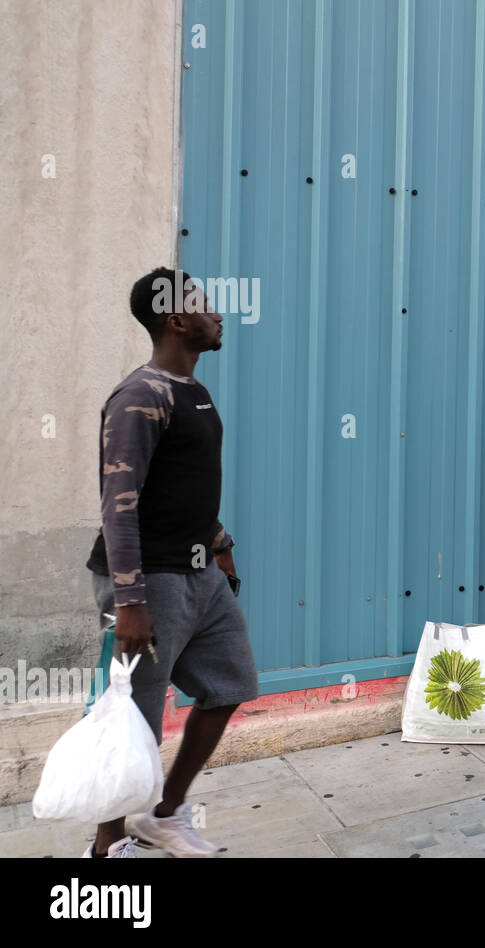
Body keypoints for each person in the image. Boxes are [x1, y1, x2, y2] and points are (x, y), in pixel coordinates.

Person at [82, 267, 258, 857]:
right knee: (135, 726)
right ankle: (105, 855)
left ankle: (163, 813)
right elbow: (119, 504)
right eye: (207, 306)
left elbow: (181, 483)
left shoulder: (194, 392)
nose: (219, 315)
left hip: (198, 574)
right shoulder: (141, 396)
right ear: (178, 319)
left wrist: (220, 537)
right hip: (148, 580)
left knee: (230, 683)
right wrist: (130, 602)